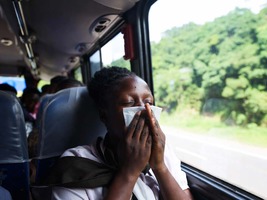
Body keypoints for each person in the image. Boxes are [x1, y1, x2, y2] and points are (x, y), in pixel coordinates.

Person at [50, 66, 193, 199]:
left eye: (149, 102)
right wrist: (129, 172)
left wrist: (159, 167)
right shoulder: (77, 164)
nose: (145, 111)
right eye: (129, 103)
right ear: (104, 115)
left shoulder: (162, 151)